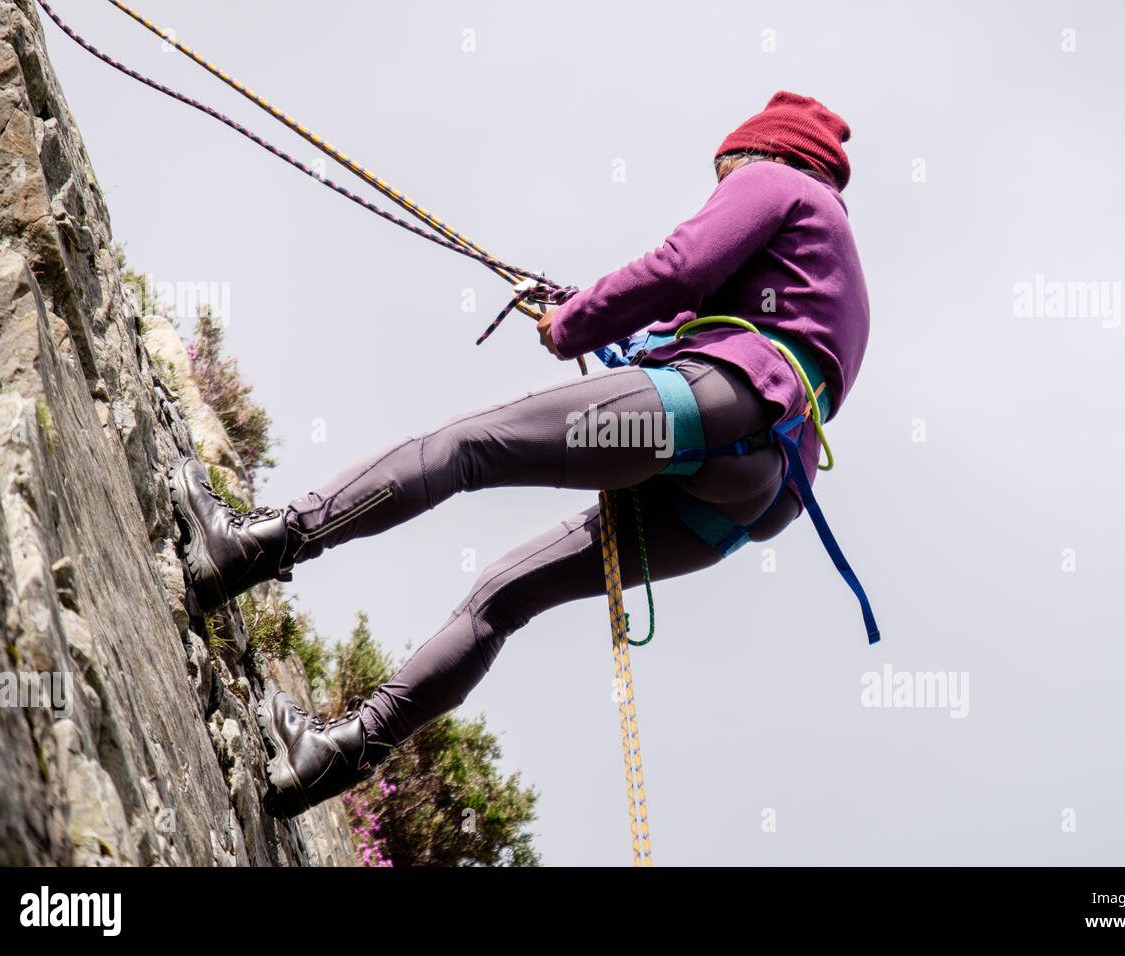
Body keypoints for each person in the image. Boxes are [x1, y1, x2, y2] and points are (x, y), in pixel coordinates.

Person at [168, 90, 872, 818]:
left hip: (710, 411)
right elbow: (706, 328)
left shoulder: (776, 180)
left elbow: (679, 267)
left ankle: (251, 545)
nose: (720, 187)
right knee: (504, 598)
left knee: (467, 449)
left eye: (721, 173)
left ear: (752, 150)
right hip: (750, 494)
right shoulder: (833, 268)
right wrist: (597, 316)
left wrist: (573, 323)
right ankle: (332, 757)